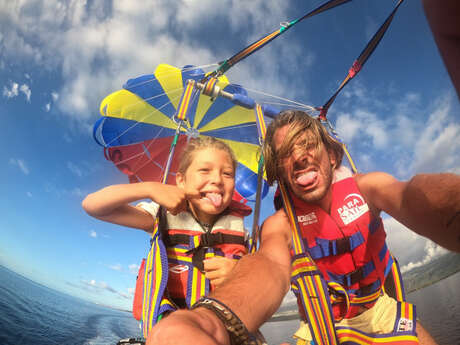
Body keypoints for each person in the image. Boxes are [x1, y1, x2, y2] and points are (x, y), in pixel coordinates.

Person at [146, 110, 459, 345]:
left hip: (382, 309)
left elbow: (410, 197)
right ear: (279, 171)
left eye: (308, 144)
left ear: (332, 155)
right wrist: (214, 319)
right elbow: (269, 265)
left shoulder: (369, 188)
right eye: (285, 154)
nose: (299, 157)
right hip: (320, 329)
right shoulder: (279, 226)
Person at [82, 137, 253, 333]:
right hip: (169, 329)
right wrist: (149, 188)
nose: (217, 179)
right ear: (181, 180)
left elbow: (260, 281)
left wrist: (241, 273)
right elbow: (93, 206)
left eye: (228, 173)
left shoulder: (240, 229)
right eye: (205, 170)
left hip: (222, 331)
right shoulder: (161, 214)